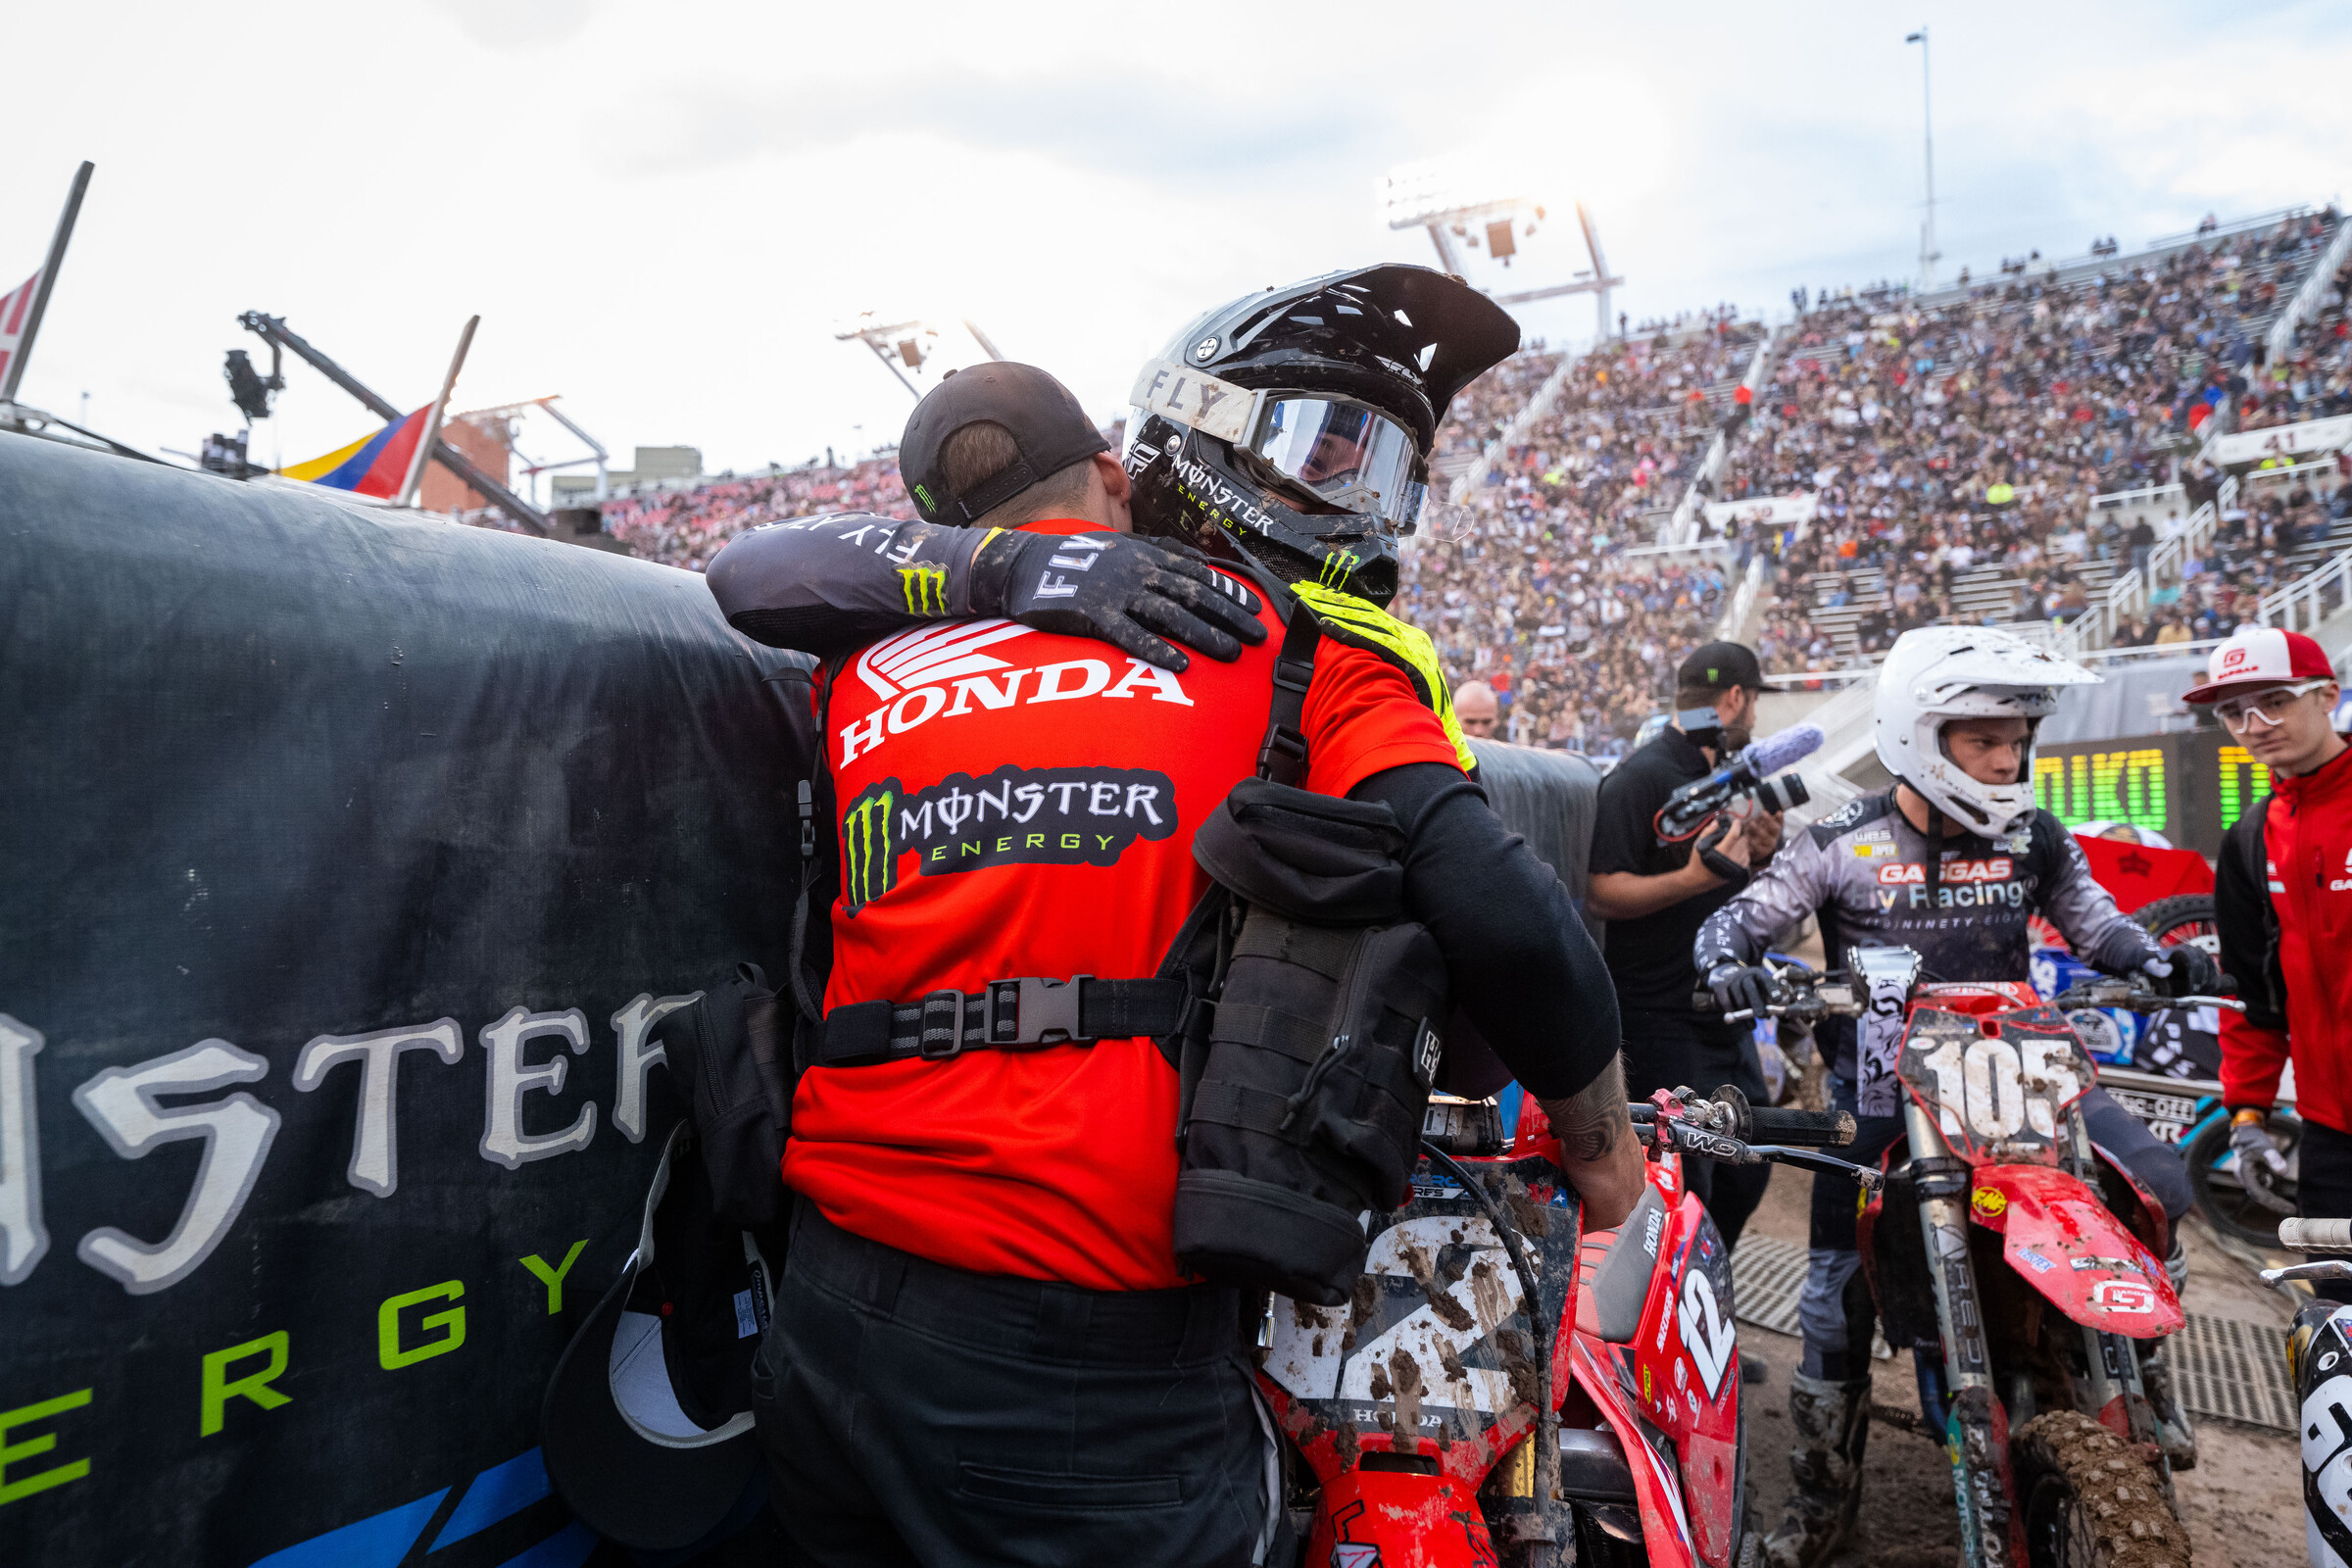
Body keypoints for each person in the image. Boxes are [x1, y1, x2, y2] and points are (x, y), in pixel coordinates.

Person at [705, 268, 1643, 1567]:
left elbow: (749, 569)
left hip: (832, 1308)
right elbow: (1504, 910)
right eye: (1318, 452)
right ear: (1121, 465)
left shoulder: (866, 655)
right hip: (1092, 1357)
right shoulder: (1298, 648)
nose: (1349, 499)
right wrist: (1605, 1152)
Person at [1693, 625, 2220, 1568]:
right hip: (1886, 1092)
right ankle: (1823, 1504)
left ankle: (2144, 1366)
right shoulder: (1839, 841)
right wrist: (1726, 959)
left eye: (2018, 740)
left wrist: (2154, 955)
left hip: (2023, 1078)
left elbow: (2098, 926)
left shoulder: (2034, 834)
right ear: (1917, 734)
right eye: (1984, 740)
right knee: (1831, 1296)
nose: (2007, 758)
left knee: (2156, 1185)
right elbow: (1740, 916)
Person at [1586, 640, 1780, 1257]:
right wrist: (1693, 879)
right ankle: (1666, 1344)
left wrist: (1765, 848)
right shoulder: (1641, 777)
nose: (1753, 721)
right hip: (1661, 1019)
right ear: (1735, 699)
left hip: (1724, 1013)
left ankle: (1705, 1322)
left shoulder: (1719, 779)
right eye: (1751, 707)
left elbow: (1728, 882)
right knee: (1679, 1195)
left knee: (1749, 1172)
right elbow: (1601, 891)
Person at [2199, 628, 2350, 1299]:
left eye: (2273, 702)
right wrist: (2248, 1114)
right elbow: (2251, 995)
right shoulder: (2249, 840)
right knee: (2340, 1326)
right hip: (2332, 1137)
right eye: (2234, 712)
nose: (2254, 726)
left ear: (2327, 695)